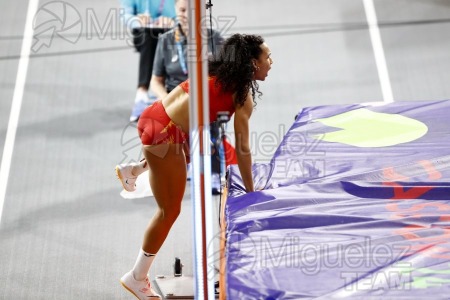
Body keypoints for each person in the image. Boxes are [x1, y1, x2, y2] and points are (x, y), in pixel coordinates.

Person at [117, 34, 273, 299]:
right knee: (170, 211)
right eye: (267, 57)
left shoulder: (214, 72)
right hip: (163, 135)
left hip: (155, 118)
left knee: (186, 157)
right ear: (252, 64)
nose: (271, 62)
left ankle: (134, 170)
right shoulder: (241, 96)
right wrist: (250, 191)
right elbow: (244, 149)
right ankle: (136, 277)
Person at [119, 0, 225, 194]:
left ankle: (208, 169)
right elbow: (156, 81)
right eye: (182, 10)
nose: (185, 14)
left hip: (205, 100)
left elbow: (225, 76)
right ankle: (142, 170)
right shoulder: (166, 40)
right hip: (175, 101)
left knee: (201, 126)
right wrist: (168, 100)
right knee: (176, 129)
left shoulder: (215, 39)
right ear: (176, 10)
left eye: (190, 11)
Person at [120, 0, 176, 122]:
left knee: (169, 41)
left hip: (170, 31)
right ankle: (142, 93)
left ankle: (167, 95)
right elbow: (125, 15)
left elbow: (187, 14)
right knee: (148, 36)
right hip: (144, 33)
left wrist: (173, 21)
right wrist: (137, 20)